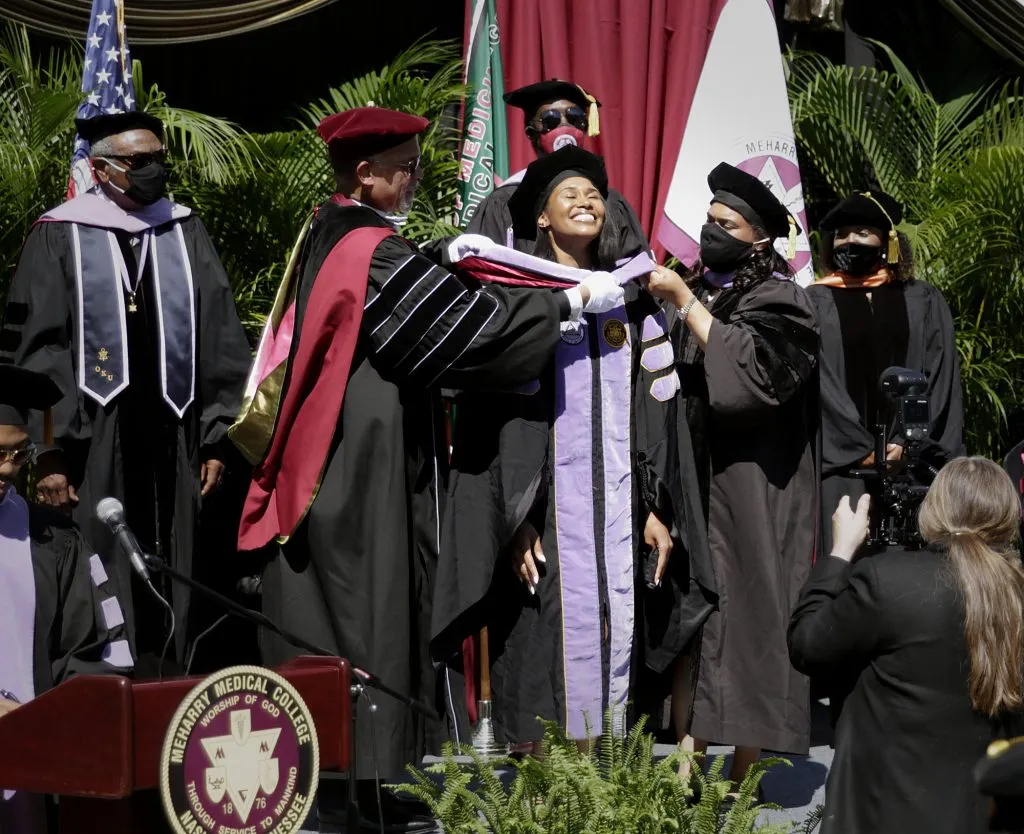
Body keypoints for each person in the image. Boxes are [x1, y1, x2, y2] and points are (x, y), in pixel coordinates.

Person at [235, 109, 621, 818]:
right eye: (406, 167)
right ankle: (367, 791)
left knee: (355, 614)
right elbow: (454, 331)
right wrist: (561, 302)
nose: (415, 178)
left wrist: (440, 259)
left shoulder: (332, 228)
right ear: (365, 172)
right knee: (368, 611)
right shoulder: (368, 249)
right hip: (357, 462)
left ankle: (360, 783)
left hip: (346, 441)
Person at [435, 146, 715, 749]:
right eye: (571, 194)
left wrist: (654, 509)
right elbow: (495, 424)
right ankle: (546, 803)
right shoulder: (517, 301)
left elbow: (654, 418)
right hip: (545, 519)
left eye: (595, 195)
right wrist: (514, 519)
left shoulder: (629, 298)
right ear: (540, 216)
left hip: (616, 518)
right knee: (542, 650)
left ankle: (597, 797)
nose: (588, 203)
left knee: (616, 639)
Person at [0, 111, 252, 676]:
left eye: (160, 159)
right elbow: (38, 350)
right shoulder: (59, 232)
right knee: (103, 567)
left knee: (176, 570)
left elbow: (220, 336)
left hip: (178, 434)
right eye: (140, 162)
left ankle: (172, 687)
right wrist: (51, 452)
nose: (155, 170)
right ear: (102, 169)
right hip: (93, 442)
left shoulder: (183, 229)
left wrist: (215, 435)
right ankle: (109, 690)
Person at [643, 162, 819, 784]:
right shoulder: (703, 286)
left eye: (727, 224)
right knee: (695, 617)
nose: (711, 231)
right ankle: (687, 763)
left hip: (755, 486)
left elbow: (754, 378)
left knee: (746, 620)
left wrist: (686, 303)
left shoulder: (782, 298)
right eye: (709, 220)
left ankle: (745, 772)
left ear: (760, 238)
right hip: (694, 478)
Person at [789, 457, 1024, 834]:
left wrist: (839, 554)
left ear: (934, 511)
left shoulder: (888, 581)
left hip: (881, 814)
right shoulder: (1015, 595)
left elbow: (807, 646)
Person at [0, 363, 133, 833]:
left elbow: (93, 650)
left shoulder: (53, 539)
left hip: (32, 765)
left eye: (18, 455)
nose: (7, 471)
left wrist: (48, 714)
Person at [806, 190, 964, 554]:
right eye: (842, 234)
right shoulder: (815, 301)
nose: (849, 242)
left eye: (862, 232)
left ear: (888, 241)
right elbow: (818, 387)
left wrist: (907, 445)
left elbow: (940, 381)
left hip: (910, 468)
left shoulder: (922, 300)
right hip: (841, 468)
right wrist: (860, 449)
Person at [466, 78, 648, 256]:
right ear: (531, 133)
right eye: (550, 120)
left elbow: (637, 271)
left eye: (575, 118)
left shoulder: (609, 201)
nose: (564, 126)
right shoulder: (504, 202)